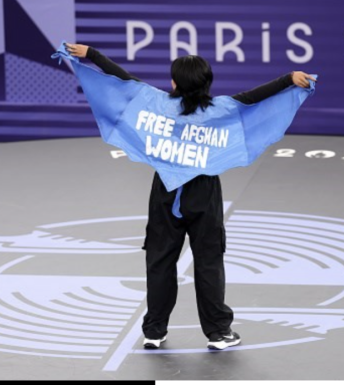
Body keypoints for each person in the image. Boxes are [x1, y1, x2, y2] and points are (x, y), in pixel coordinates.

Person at [65, 43, 316, 350]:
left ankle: (154, 331)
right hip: (204, 194)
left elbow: (121, 80)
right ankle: (219, 333)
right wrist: (290, 78)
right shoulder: (223, 109)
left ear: (174, 83)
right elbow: (257, 97)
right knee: (208, 263)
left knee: (160, 262)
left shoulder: (155, 103)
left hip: (165, 195)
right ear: (207, 83)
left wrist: (91, 55)